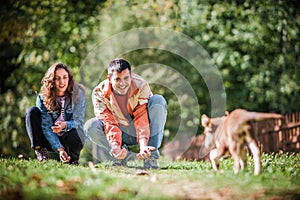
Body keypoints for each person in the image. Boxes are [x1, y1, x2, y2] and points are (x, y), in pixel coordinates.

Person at [85, 58, 167, 169]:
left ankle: (150, 156)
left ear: (131, 75)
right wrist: (115, 145)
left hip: (141, 130)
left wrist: (143, 146)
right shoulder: (99, 93)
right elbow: (109, 122)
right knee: (90, 126)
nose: (122, 83)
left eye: (126, 78)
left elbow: (141, 117)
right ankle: (120, 155)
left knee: (158, 101)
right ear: (109, 78)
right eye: (117, 79)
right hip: (119, 131)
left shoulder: (141, 86)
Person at [25, 62, 86, 165]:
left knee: (78, 133)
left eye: (64, 77)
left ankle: (73, 159)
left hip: (69, 135)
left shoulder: (78, 94)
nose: (62, 82)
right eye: (57, 78)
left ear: (69, 78)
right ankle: (40, 151)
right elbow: (46, 127)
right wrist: (60, 149)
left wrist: (65, 125)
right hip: (50, 136)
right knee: (32, 112)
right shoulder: (43, 98)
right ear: (52, 80)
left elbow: (78, 121)